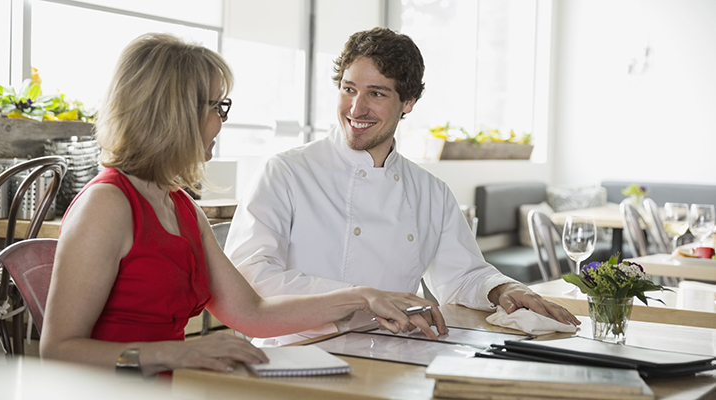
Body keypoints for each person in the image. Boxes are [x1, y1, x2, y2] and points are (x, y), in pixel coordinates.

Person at [39, 32, 445, 378]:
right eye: (217, 107)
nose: (222, 120)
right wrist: (173, 352)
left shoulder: (181, 207)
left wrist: (364, 297)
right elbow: (57, 351)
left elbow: (253, 313)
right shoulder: (107, 205)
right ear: (177, 114)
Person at [225, 27, 579, 346]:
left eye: (376, 94)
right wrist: (362, 298)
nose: (356, 108)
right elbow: (251, 280)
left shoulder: (430, 191)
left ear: (408, 103)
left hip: (394, 347)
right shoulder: (286, 172)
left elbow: (461, 275)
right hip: (297, 351)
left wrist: (503, 288)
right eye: (349, 89)